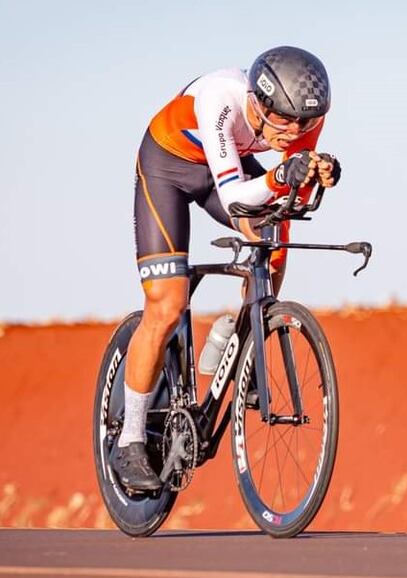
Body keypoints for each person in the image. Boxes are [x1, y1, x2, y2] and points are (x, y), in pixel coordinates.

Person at [110, 46, 342, 491]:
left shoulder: (306, 115)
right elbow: (236, 196)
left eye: (306, 124)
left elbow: (289, 189)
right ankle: (131, 440)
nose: (295, 132)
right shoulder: (220, 99)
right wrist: (279, 176)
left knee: (276, 230)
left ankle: (245, 336)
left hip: (227, 166)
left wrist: (315, 173)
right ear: (257, 103)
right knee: (168, 303)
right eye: (285, 121)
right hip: (168, 168)